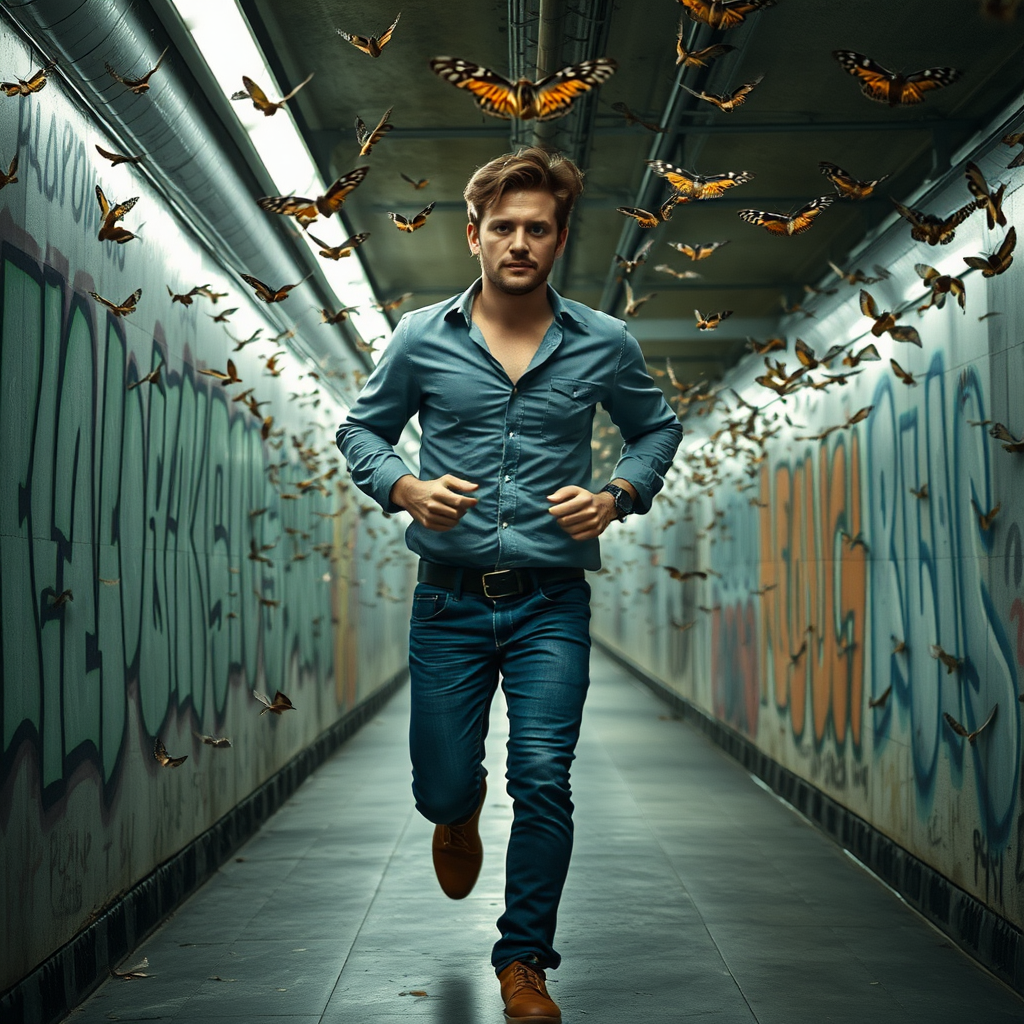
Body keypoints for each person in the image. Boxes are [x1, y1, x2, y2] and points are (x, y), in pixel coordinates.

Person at [335, 146, 683, 1023]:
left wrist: (616, 495)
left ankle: (524, 963)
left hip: (550, 603)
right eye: (504, 228)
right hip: (447, 598)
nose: (519, 242)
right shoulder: (422, 338)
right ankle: (455, 813)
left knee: (544, 775)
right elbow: (361, 432)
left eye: (537, 228)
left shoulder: (603, 342)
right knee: (444, 783)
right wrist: (406, 485)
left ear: (560, 239)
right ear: (474, 236)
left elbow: (656, 429)